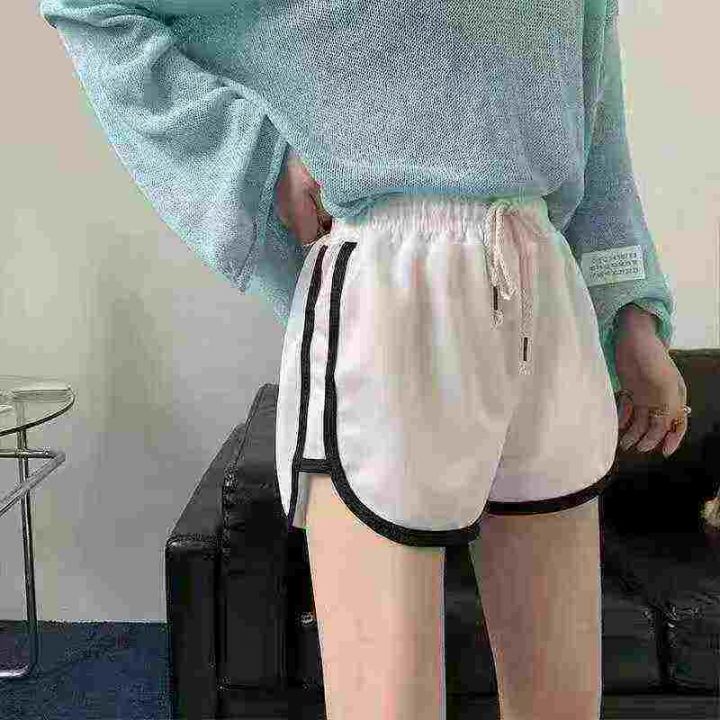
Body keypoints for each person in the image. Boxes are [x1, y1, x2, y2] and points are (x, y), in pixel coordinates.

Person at [40, 1, 689, 718]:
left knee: (563, 706)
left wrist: (629, 315)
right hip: (385, 284)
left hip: (544, 286)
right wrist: (252, 162)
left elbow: (597, 113)